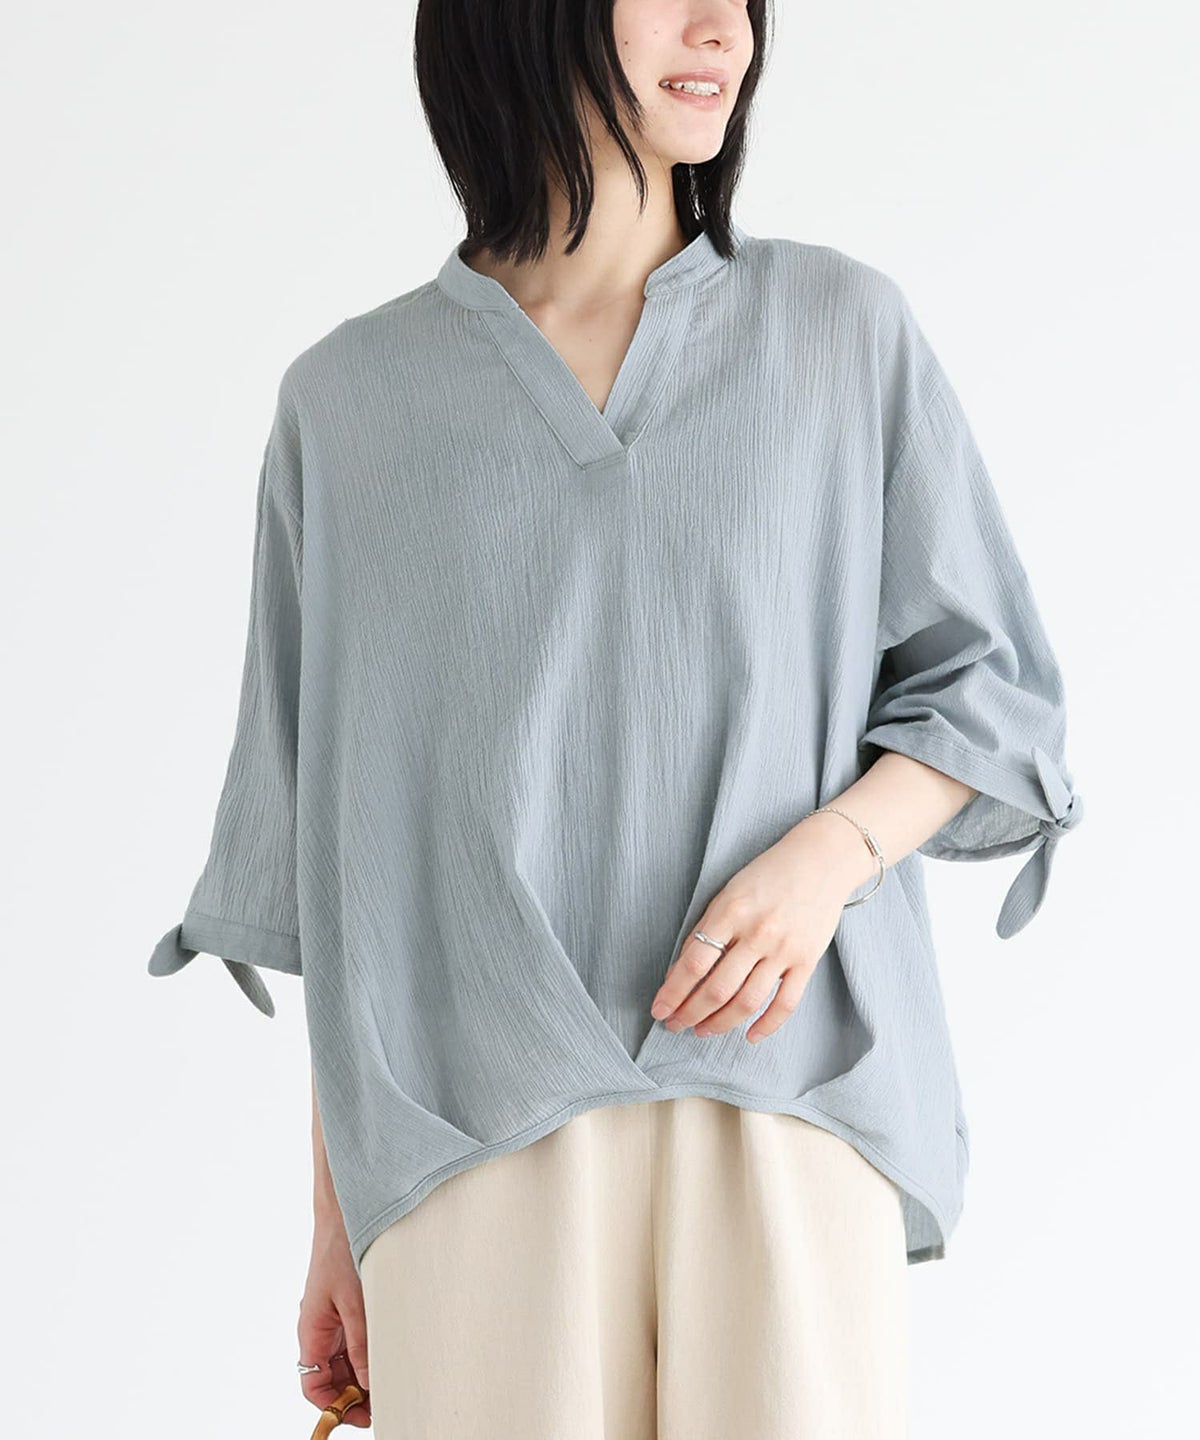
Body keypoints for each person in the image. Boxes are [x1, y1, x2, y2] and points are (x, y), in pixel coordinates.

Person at [146, 1, 1084, 1436]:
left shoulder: (839, 332)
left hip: (788, 1102)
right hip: (469, 1147)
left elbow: (990, 691)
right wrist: (340, 1215)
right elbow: (342, 847)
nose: (725, 30)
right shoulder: (349, 405)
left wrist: (826, 859)